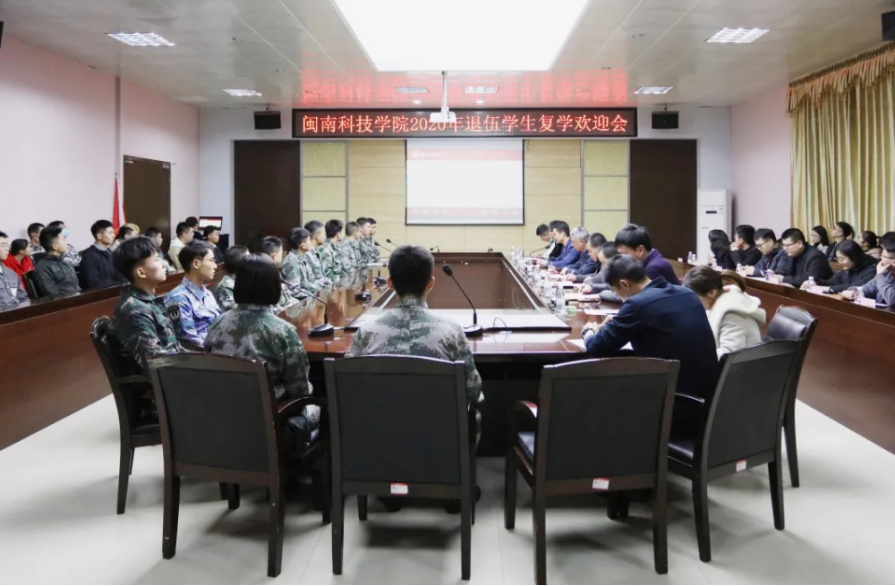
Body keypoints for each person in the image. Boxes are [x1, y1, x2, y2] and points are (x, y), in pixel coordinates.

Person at [204, 254, 319, 456]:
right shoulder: (281, 331)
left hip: (223, 419)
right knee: (322, 403)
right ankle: (305, 467)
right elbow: (300, 390)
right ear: (274, 286)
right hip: (270, 424)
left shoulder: (217, 324)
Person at [346, 244, 483, 407]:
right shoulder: (452, 331)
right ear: (431, 283)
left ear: (390, 283)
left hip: (379, 421)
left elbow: (349, 385)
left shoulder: (366, 332)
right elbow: (473, 390)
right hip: (437, 423)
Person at [581, 255, 718, 399]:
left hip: (677, 398)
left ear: (624, 284)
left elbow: (597, 347)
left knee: (601, 392)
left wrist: (588, 332)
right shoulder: (687, 293)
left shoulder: (637, 304)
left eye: (616, 292)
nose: (619, 298)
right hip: (707, 393)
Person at [109, 237, 184, 375]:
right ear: (141, 272)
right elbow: (156, 364)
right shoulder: (135, 311)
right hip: (164, 381)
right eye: (157, 260)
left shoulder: (149, 300)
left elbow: (174, 347)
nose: (164, 264)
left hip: (176, 370)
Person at [683, 266, 766, 358]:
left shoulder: (733, 314)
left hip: (743, 365)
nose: (693, 303)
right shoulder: (715, 302)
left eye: (696, 298)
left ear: (711, 293)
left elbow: (728, 355)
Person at [164, 241, 221, 348]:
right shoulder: (178, 298)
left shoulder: (207, 293)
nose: (215, 266)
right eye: (212, 260)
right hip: (203, 355)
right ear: (196, 263)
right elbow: (189, 342)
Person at [614, 224, 681, 285]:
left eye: (624, 254)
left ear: (640, 250)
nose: (621, 258)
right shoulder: (652, 260)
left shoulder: (654, 268)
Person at [844, 232, 895, 308]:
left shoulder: (882, 274)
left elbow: (892, 299)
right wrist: (854, 291)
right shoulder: (887, 273)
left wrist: (880, 275)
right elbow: (867, 288)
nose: (881, 258)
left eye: (883, 255)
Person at [32, 226, 81, 298]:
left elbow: (76, 286)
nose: (66, 243)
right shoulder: (42, 267)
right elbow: (51, 293)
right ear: (55, 246)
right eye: (63, 240)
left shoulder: (65, 261)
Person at [80, 220, 125, 290]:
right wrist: (117, 284)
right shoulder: (89, 257)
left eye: (113, 233)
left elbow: (118, 274)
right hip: (100, 294)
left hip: (115, 290)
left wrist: (123, 282)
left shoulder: (109, 253)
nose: (114, 235)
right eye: (110, 233)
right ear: (99, 236)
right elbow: (93, 283)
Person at [213, 245, 249, 311]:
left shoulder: (242, 278)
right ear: (242, 264)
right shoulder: (226, 287)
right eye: (249, 259)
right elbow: (235, 312)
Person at [0, 232, 30, 309]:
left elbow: (22, 297)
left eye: (7, 245)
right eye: (2, 245)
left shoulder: (11, 273)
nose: (7, 249)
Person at [303, 220, 333, 289]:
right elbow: (309, 282)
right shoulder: (307, 255)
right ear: (317, 236)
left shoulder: (315, 252)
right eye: (323, 234)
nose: (325, 236)